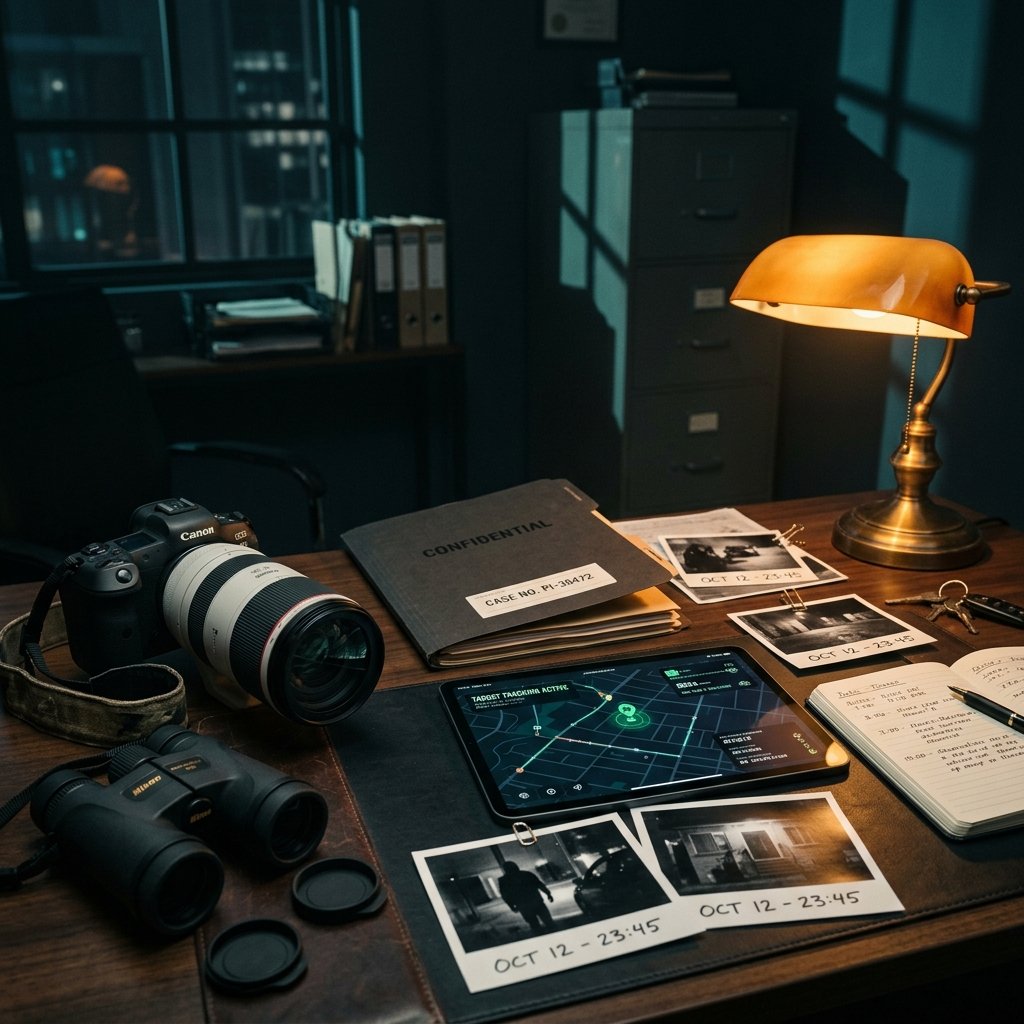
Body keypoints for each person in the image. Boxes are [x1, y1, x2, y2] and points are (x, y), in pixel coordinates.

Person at [497, 860, 554, 934]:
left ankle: (540, 935)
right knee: (548, 921)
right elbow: (539, 884)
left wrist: (511, 906)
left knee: (534, 924)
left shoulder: (503, 880)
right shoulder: (527, 874)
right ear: (516, 866)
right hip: (537, 902)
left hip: (523, 906)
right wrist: (548, 894)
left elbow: (506, 895)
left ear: (505, 870)